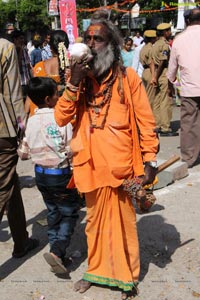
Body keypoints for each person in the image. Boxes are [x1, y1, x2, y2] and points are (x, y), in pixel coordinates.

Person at [54, 10, 159, 299]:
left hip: (122, 167)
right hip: (90, 166)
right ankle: (96, 271)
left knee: (123, 226)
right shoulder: (78, 81)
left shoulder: (128, 78)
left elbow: (146, 121)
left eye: (97, 39)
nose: (90, 43)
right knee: (95, 225)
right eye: (87, 38)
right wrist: (73, 83)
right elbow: (61, 118)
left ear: (111, 45)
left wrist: (150, 159)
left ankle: (127, 278)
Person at [24, 77, 79, 273]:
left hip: (41, 176)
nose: (60, 96)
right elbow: (72, 147)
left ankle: (57, 253)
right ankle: (57, 250)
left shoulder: (30, 121)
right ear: (49, 99)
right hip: (60, 174)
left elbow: (23, 152)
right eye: (58, 93)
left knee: (53, 211)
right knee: (69, 212)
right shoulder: (60, 119)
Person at [0, 36, 39, 258]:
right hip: (3, 129)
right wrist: (23, 127)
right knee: (2, 188)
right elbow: (14, 94)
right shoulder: (4, 47)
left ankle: (21, 240)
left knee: (9, 185)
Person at [167, 8, 200, 167]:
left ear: (187, 21)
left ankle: (189, 158)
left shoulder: (179, 39)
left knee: (188, 124)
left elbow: (172, 67)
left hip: (190, 90)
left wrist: (171, 81)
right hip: (191, 87)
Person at [25, 30, 70, 116]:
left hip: (39, 117)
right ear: (66, 46)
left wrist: (24, 117)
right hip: (64, 115)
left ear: (50, 47)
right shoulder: (72, 67)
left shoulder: (39, 67)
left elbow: (31, 93)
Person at [152, 23, 178, 136]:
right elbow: (163, 62)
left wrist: (154, 76)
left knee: (157, 99)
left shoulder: (155, 44)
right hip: (163, 73)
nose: (170, 32)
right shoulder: (164, 45)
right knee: (166, 100)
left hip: (158, 73)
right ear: (164, 32)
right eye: (168, 30)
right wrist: (157, 76)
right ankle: (165, 127)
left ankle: (157, 124)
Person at [11, 30, 32, 102]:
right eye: (20, 38)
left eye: (23, 38)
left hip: (27, 82)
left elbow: (28, 66)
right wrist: (20, 50)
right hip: (19, 84)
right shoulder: (12, 51)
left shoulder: (25, 50)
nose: (22, 40)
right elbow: (17, 67)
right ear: (15, 39)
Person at [139, 30, 157, 110]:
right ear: (153, 38)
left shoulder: (143, 48)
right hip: (150, 72)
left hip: (144, 71)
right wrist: (153, 76)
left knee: (147, 94)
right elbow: (151, 63)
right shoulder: (150, 49)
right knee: (151, 97)